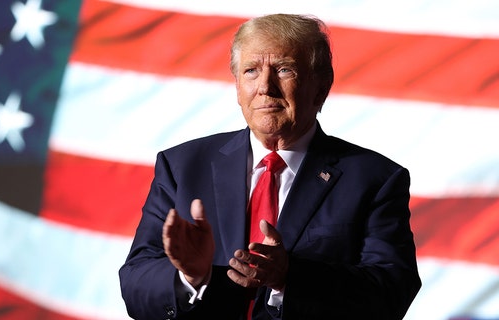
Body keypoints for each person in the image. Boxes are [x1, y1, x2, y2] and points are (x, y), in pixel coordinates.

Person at [119, 13, 421, 319]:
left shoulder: (375, 178)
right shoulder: (182, 165)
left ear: (321, 87)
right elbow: (134, 282)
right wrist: (190, 278)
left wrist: (288, 277)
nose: (265, 86)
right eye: (251, 71)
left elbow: (391, 293)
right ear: (237, 88)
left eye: (284, 69)